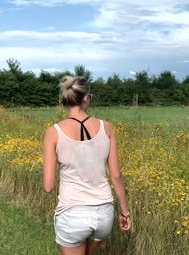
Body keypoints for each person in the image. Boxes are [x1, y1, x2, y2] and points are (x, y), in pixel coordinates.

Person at [43, 76, 131, 255]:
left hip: (73, 214)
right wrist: (124, 212)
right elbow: (116, 175)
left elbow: (48, 186)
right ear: (85, 98)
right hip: (104, 213)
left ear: (66, 100)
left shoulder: (54, 132)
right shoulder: (106, 127)